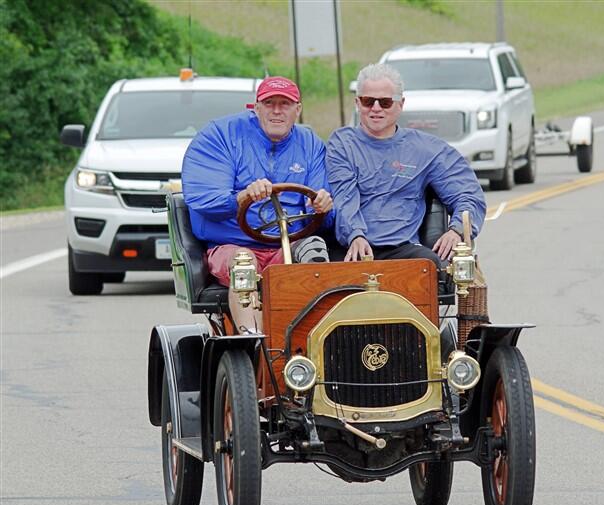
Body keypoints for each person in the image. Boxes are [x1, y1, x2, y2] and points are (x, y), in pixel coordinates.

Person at [182, 76, 334, 333]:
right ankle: (252, 341)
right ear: (256, 107)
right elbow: (203, 199)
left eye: (285, 104)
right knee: (244, 263)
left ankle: (313, 336)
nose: (277, 110)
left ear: (298, 109)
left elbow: (322, 207)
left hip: (286, 244)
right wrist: (242, 197)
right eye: (269, 103)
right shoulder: (220, 136)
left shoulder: (311, 145)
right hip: (232, 245)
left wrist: (320, 205)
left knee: (314, 248)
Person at [326, 63, 485, 267]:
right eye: (368, 101)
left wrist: (457, 231)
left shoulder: (426, 149)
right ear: (357, 103)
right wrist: (355, 235)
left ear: (400, 104)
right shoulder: (342, 144)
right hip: (352, 247)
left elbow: (468, 193)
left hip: (403, 249)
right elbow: (344, 197)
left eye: (385, 102)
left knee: (433, 267)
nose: (375, 108)